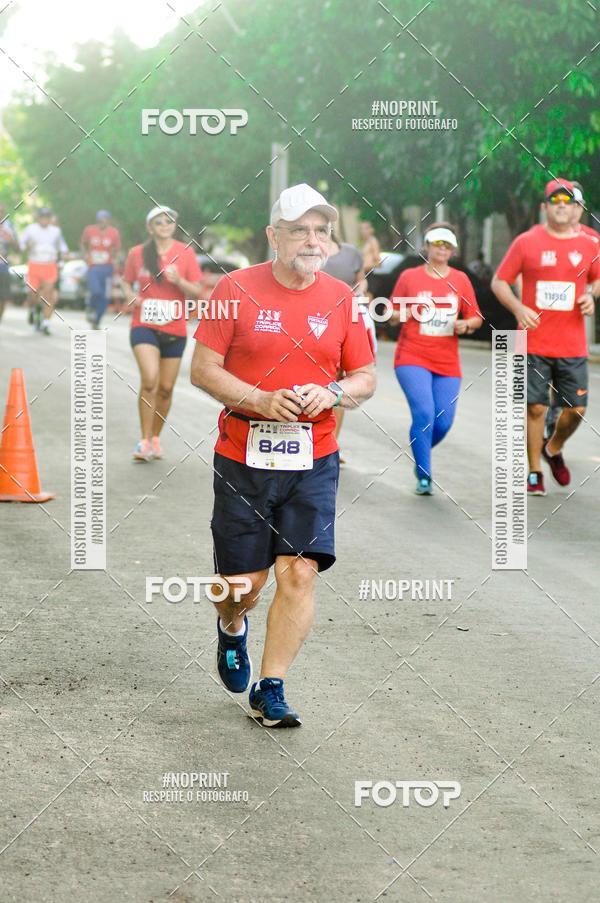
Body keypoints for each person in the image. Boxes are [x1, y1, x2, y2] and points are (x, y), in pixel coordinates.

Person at [191, 183, 375, 727]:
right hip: (243, 455)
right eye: (300, 229)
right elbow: (202, 370)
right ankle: (230, 625)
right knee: (243, 587)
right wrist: (261, 400)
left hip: (313, 457)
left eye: (321, 230)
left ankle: (271, 688)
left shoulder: (342, 298)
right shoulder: (234, 288)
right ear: (274, 235)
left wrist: (335, 393)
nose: (313, 240)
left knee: (299, 573)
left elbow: (364, 377)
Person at [491, 179, 600, 496]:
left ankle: (552, 448)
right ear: (545, 207)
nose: (562, 205)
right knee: (535, 408)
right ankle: (535, 471)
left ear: (578, 209)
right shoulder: (527, 241)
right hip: (532, 341)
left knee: (576, 409)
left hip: (572, 343)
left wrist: (592, 296)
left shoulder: (592, 243)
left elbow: (597, 280)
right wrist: (517, 308)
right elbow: (500, 282)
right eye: (555, 200)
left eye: (568, 201)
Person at [389, 223, 482, 495]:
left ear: (452, 250)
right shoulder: (409, 276)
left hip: (447, 363)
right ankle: (425, 475)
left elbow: (475, 316)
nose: (441, 249)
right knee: (425, 413)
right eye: (436, 244)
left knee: (442, 422)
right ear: (426, 246)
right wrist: (401, 314)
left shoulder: (461, 280)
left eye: (447, 245)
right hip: (411, 356)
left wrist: (467, 326)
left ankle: (420, 451)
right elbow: (391, 312)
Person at [122, 205, 203, 461]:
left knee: (166, 388)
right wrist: (129, 295)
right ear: (150, 227)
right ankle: (143, 440)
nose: (165, 226)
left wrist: (179, 281)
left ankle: (155, 437)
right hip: (144, 324)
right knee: (150, 379)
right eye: (159, 222)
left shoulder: (186, 252)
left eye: (169, 221)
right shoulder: (138, 253)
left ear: (174, 225)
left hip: (175, 328)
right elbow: (125, 280)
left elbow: (197, 290)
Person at [544, 181, 600, 439]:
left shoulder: (592, 239)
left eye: (577, 204)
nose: (573, 209)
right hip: (544, 316)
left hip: (576, 315)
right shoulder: (545, 236)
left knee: (567, 369)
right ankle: (546, 411)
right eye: (568, 203)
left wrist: (590, 295)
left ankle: (557, 411)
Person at [322, 232, 372, 457]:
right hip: (312, 323)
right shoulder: (307, 251)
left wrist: (360, 292)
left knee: (337, 384)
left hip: (344, 322)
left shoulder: (351, 253)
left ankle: (331, 444)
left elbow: (361, 279)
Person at [20, 207, 68, 334]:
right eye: (42, 217)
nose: (45, 220)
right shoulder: (31, 229)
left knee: (49, 294)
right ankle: (34, 307)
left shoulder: (55, 231)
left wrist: (63, 255)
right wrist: (27, 246)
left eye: (47, 217)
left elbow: (62, 247)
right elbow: (21, 244)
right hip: (35, 264)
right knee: (33, 293)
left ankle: (46, 323)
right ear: (38, 218)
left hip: (50, 265)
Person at [80, 210, 122, 328]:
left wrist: (116, 260)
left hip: (107, 268)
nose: (102, 224)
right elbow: (83, 243)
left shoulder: (114, 233)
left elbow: (118, 249)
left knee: (105, 296)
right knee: (95, 291)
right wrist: (84, 255)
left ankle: (97, 320)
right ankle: (91, 307)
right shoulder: (89, 230)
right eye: (100, 221)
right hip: (94, 267)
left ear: (108, 221)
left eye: (104, 221)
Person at [0, 204, 18, 323]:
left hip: (3, 267)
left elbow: (17, 249)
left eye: (2, 211)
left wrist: (11, 240)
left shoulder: (9, 226)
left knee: (2, 297)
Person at [358, 220, 382, 298]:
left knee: (368, 304)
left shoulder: (373, 241)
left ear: (371, 230)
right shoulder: (363, 243)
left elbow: (378, 263)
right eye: (361, 228)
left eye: (366, 228)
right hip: (362, 275)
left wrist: (364, 267)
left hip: (369, 275)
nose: (363, 231)